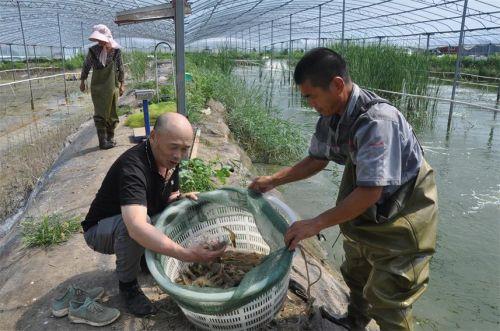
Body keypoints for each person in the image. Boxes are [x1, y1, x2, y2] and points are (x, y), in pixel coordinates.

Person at [249, 48, 438, 331]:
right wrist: (273, 180)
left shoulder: (378, 121)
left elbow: (371, 191)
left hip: (404, 210)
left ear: (337, 84)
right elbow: (317, 159)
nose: (310, 104)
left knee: (388, 296)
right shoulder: (331, 114)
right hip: (368, 203)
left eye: (311, 96)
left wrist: (315, 223)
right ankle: (355, 321)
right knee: (356, 272)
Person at [82, 113, 226, 316]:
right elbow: (136, 226)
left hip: (136, 218)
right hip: (100, 231)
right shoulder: (133, 167)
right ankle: (128, 286)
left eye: (185, 149)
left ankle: (142, 257)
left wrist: (180, 199)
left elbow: (166, 200)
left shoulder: (169, 161)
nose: (179, 155)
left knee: (180, 208)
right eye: (173, 147)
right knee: (134, 225)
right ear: (153, 138)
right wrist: (186, 254)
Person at [80, 24, 125, 150]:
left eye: (101, 39)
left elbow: (121, 68)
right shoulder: (93, 51)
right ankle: (102, 142)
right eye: (97, 39)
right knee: (100, 113)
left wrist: (122, 84)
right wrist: (82, 81)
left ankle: (110, 138)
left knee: (112, 112)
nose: (99, 41)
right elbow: (86, 66)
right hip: (98, 87)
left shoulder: (116, 51)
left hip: (112, 86)